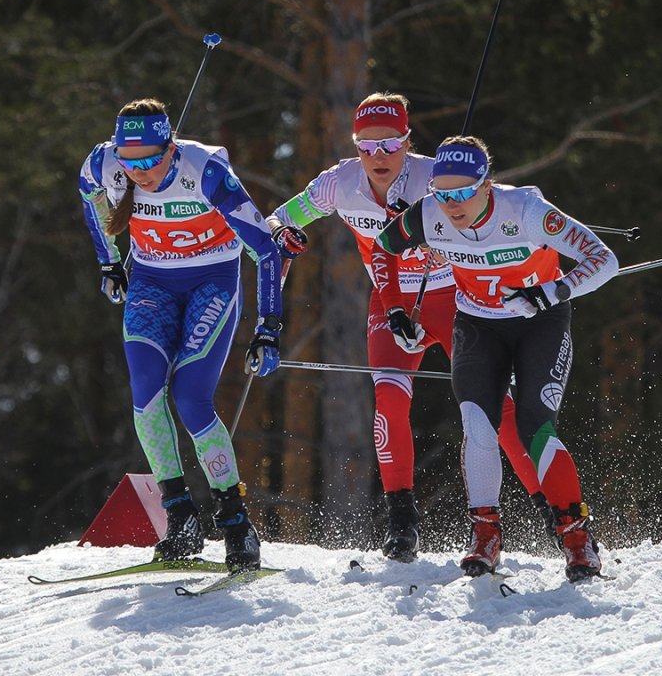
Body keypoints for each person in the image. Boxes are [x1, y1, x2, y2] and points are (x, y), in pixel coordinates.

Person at [266, 93, 549, 563]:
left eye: (391, 144)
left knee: (494, 408)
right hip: (389, 301)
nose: (379, 157)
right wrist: (282, 233)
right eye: (367, 145)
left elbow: (491, 211)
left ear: (408, 141)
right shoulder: (340, 183)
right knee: (390, 402)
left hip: (453, 297)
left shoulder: (436, 176)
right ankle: (402, 522)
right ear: (355, 145)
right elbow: (280, 216)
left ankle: (552, 511)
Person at [373, 135, 619, 581]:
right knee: (477, 423)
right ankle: (485, 535)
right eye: (443, 193)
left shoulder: (525, 211)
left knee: (534, 425)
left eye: (464, 192)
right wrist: (394, 309)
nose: (453, 204)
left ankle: (577, 539)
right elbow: (382, 247)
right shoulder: (429, 215)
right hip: (476, 324)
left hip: (538, 323)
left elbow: (604, 260)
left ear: (487, 183)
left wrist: (548, 292)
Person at [78, 97, 285, 571]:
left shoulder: (206, 171)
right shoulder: (102, 163)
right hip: (152, 283)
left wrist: (268, 328)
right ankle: (180, 517)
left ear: (171, 148)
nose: (141, 172)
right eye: (131, 163)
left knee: (191, 398)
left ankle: (235, 522)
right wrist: (109, 261)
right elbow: (89, 198)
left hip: (211, 280)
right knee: (146, 394)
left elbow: (266, 252)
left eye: (152, 160)